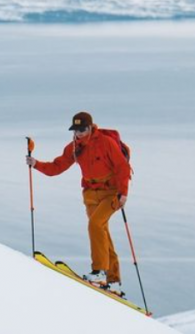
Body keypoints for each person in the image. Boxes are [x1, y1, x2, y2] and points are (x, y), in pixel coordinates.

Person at [26, 111, 132, 291]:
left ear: (90, 127)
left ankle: (99, 272)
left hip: (111, 193)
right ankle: (111, 279)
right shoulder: (74, 147)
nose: (78, 133)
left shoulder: (106, 143)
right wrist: (36, 164)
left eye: (82, 129)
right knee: (101, 230)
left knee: (96, 225)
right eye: (75, 130)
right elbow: (56, 167)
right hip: (90, 194)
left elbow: (123, 167)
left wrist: (123, 193)